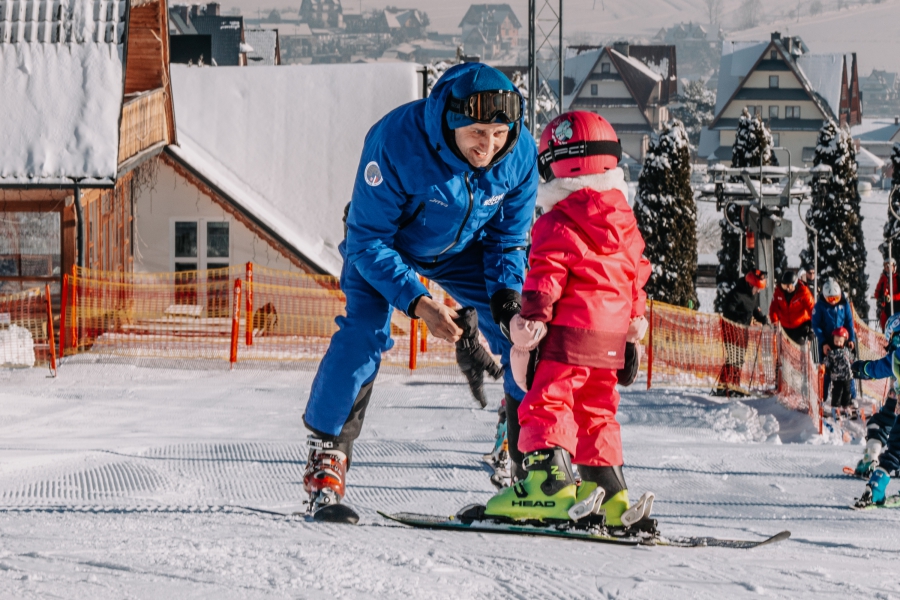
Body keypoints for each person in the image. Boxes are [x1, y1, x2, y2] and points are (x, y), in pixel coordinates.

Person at [301, 63, 539, 514]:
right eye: (477, 133)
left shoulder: (520, 155)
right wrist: (420, 302)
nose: (488, 147)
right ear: (451, 120)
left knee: (523, 330)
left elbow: (508, 241)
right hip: (384, 244)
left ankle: (528, 450)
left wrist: (506, 304)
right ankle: (326, 463)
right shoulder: (396, 141)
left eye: (499, 133)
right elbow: (368, 239)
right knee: (363, 336)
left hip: (460, 252)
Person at [481, 111, 653, 529]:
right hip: (610, 342)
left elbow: (545, 277)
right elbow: (636, 280)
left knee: (549, 402)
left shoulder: (556, 221)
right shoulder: (626, 224)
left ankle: (548, 486)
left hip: (567, 339)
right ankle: (612, 495)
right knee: (597, 412)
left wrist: (531, 321)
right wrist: (633, 326)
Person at [851, 313, 900, 506]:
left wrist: (862, 368)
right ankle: (875, 489)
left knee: (895, 451)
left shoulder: (896, 357)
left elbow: (878, 368)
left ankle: (876, 487)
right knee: (895, 450)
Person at [714, 269, 769, 397]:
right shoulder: (736, 294)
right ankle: (723, 387)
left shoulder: (752, 295)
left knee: (739, 359)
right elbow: (728, 312)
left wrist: (762, 318)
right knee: (733, 358)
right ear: (750, 284)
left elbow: (754, 309)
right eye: (757, 288)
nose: (758, 291)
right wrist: (744, 316)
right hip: (731, 329)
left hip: (743, 330)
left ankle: (735, 385)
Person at [811, 278, 858, 402]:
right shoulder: (820, 306)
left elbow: (849, 322)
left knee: (847, 368)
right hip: (828, 341)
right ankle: (822, 396)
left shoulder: (844, 304)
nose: (833, 302)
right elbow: (816, 324)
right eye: (830, 299)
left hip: (842, 340)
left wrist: (851, 339)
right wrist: (823, 342)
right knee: (827, 369)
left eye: (835, 298)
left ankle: (850, 397)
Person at [768, 270, 815, 346]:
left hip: (800, 325)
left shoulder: (803, 292)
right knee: (785, 349)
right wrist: (775, 322)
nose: (787, 289)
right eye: (784, 286)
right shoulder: (779, 292)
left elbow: (812, 310)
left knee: (798, 347)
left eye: (789, 286)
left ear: (795, 284)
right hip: (785, 326)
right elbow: (773, 308)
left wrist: (813, 328)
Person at [823, 327, 854, 417]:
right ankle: (835, 407)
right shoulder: (832, 353)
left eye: (840, 341)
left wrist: (854, 363)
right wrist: (827, 367)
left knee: (847, 392)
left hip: (847, 376)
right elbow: (827, 361)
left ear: (844, 341)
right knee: (837, 392)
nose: (838, 343)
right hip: (837, 377)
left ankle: (846, 406)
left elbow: (851, 359)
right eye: (836, 341)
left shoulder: (847, 351)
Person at [875, 258, 900, 331]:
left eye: (890, 266)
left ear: (894, 267)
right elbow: (877, 293)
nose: (888, 268)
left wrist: (892, 297)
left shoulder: (897, 278)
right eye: (886, 266)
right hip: (886, 306)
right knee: (885, 324)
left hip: (897, 306)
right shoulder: (883, 278)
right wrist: (881, 298)